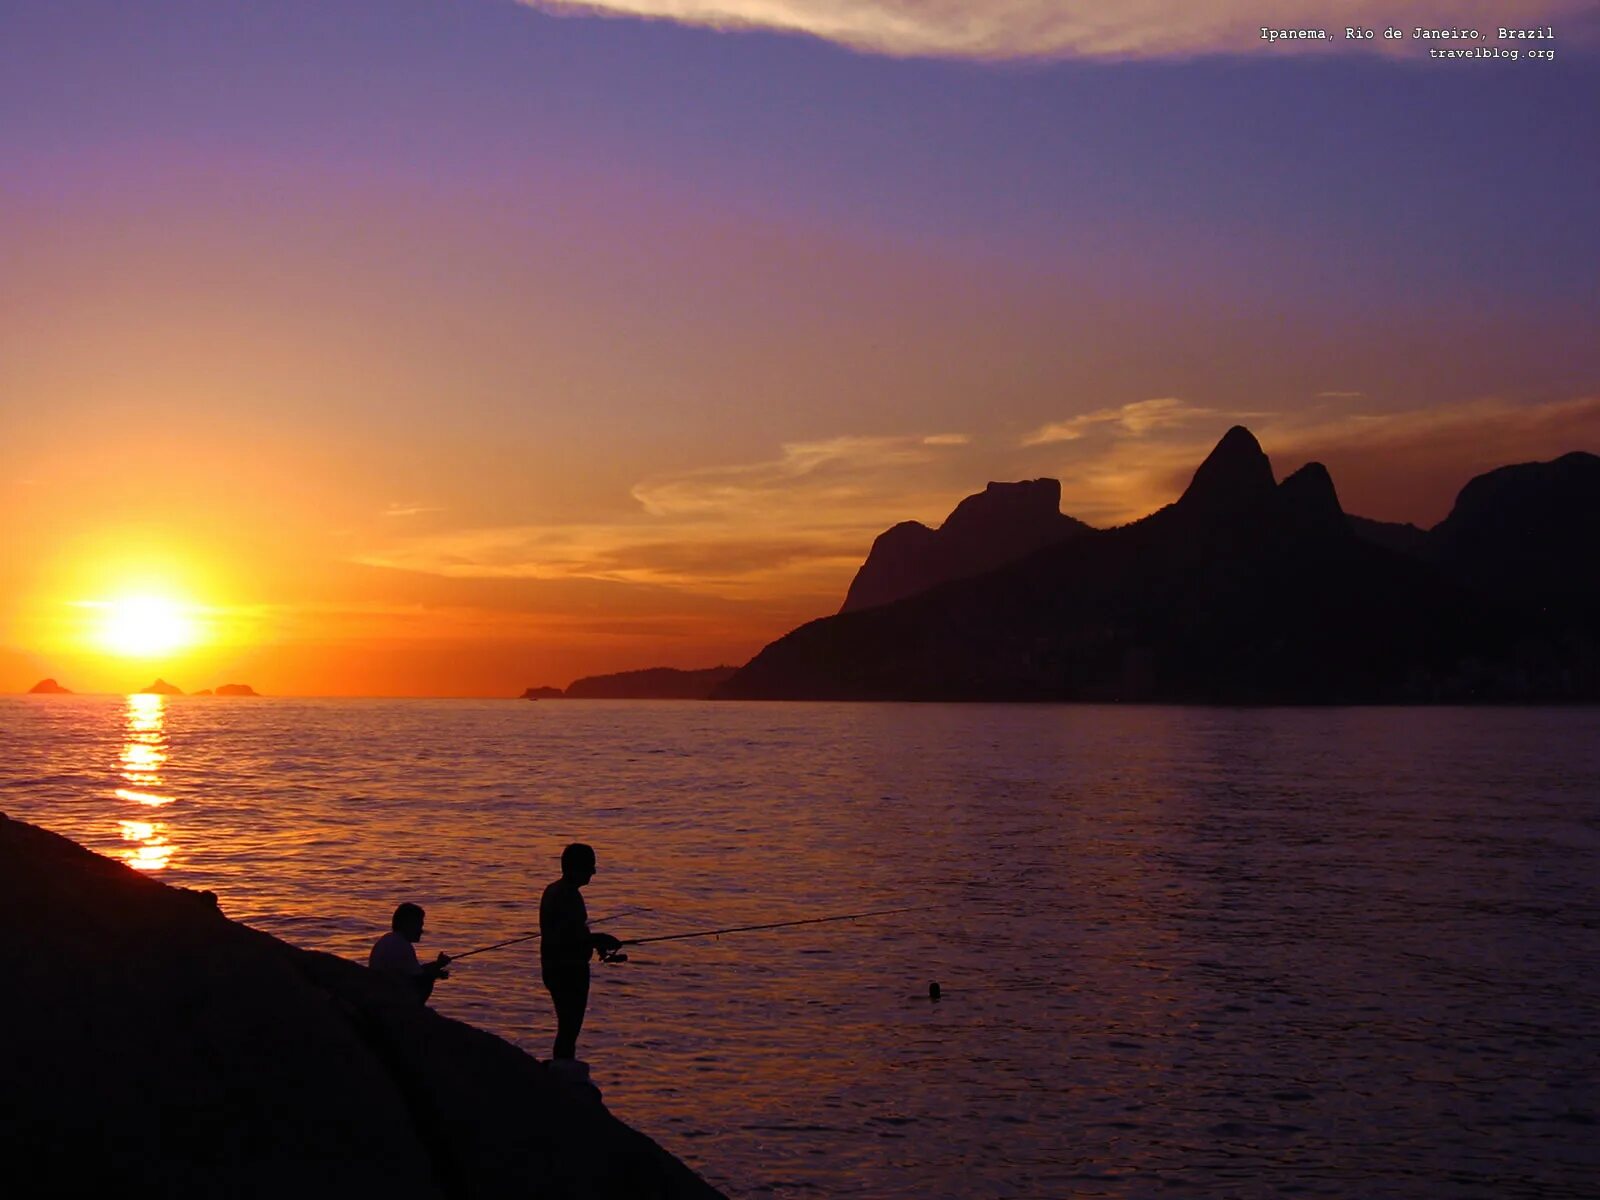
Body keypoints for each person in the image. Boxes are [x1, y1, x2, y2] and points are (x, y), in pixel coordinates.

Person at [539, 843, 622, 1061]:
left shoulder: (553, 890)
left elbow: (571, 934)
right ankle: (564, 1072)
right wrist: (600, 939)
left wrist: (595, 943)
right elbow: (570, 938)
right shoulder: (568, 896)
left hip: (554, 968)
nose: (592, 873)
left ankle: (563, 1068)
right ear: (576, 868)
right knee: (569, 1028)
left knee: (567, 1028)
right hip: (569, 972)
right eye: (589, 868)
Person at [369, 902, 451, 1003]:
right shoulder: (402, 945)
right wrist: (435, 974)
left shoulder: (388, 939)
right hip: (392, 998)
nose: (421, 931)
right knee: (427, 980)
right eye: (419, 925)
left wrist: (438, 964)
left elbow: (414, 970)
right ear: (408, 924)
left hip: (382, 991)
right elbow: (418, 978)